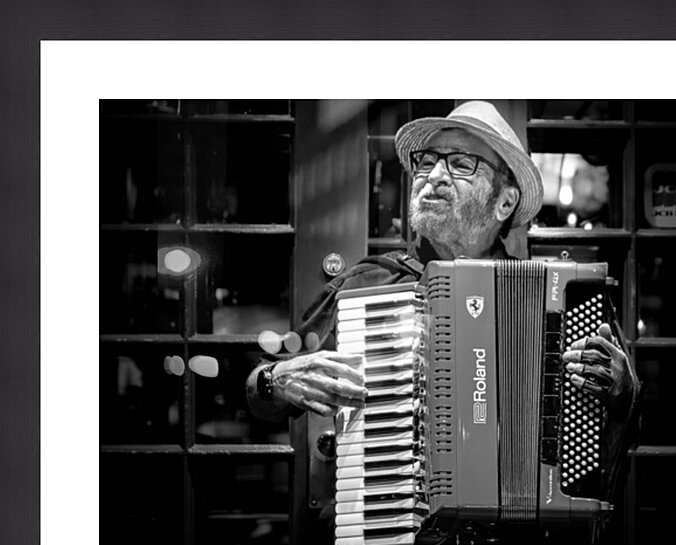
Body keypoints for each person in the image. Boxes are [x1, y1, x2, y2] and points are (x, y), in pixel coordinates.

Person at [246, 100, 639, 510]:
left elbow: (623, 429)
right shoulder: (371, 285)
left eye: (461, 163)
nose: (433, 176)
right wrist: (274, 378)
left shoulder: (557, 299)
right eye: (427, 160)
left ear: (504, 203)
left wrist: (620, 389)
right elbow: (260, 397)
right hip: (399, 531)